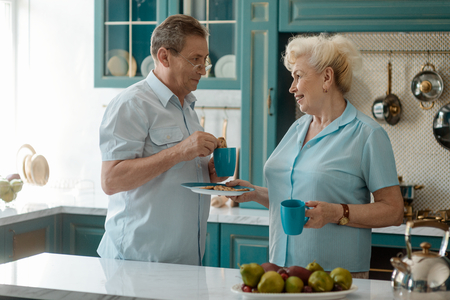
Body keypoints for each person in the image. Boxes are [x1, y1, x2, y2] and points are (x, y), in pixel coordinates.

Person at [228, 33, 404, 278]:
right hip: (282, 272)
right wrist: (256, 193)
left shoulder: (367, 134)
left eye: (298, 76)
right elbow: (297, 199)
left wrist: (336, 213)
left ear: (327, 77)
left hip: (334, 278)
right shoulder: (297, 129)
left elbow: (394, 211)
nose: (292, 87)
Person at [97, 14, 227, 265]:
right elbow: (111, 180)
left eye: (205, 61)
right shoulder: (131, 104)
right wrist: (180, 152)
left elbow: (172, 178)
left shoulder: (187, 107)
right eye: (195, 60)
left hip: (185, 262)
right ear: (165, 56)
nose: (202, 70)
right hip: (137, 263)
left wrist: (208, 176)